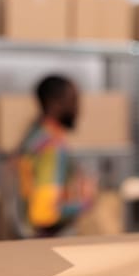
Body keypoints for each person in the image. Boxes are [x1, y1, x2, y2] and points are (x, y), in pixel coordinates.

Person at [17, 75, 95, 237]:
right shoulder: (51, 147)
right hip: (46, 243)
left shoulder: (35, 135)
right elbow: (43, 214)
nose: (78, 109)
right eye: (73, 100)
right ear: (55, 103)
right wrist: (85, 202)